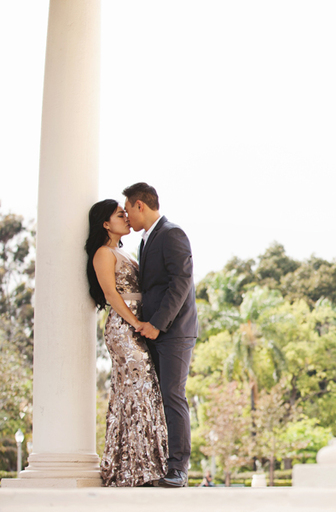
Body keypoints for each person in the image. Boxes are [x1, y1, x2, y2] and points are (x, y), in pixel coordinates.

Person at [85, 199, 168, 487]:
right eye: (120, 215)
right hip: (124, 329)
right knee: (138, 390)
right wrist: (135, 325)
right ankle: (137, 469)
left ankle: (138, 467)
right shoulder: (103, 254)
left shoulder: (126, 253)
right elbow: (110, 295)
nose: (126, 217)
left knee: (136, 393)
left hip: (137, 326)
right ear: (106, 224)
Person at [123, 182, 199, 488]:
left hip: (175, 331)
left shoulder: (172, 233)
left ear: (140, 205)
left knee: (173, 395)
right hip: (153, 333)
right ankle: (159, 465)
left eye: (128, 209)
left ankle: (178, 468)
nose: (127, 216)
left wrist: (158, 323)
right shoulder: (146, 240)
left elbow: (181, 282)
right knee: (159, 397)